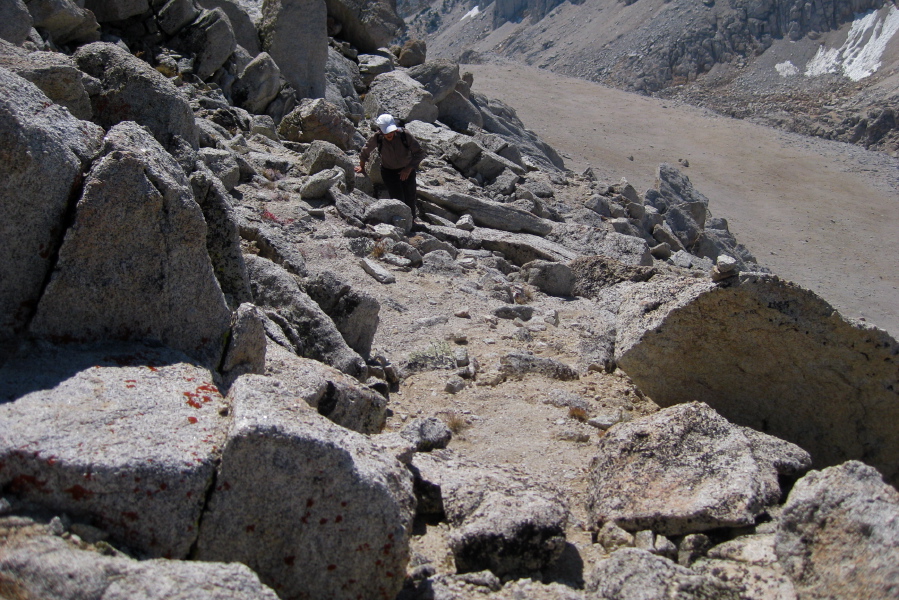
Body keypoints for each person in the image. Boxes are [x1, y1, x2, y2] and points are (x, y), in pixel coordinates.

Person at [355, 114, 426, 221]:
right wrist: (362, 166)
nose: (389, 134)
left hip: (407, 171)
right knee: (398, 199)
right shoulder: (377, 137)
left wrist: (408, 169)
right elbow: (365, 151)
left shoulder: (404, 135)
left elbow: (419, 153)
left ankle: (411, 222)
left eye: (391, 131)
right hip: (389, 173)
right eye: (386, 132)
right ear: (380, 130)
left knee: (410, 198)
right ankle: (400, 222)